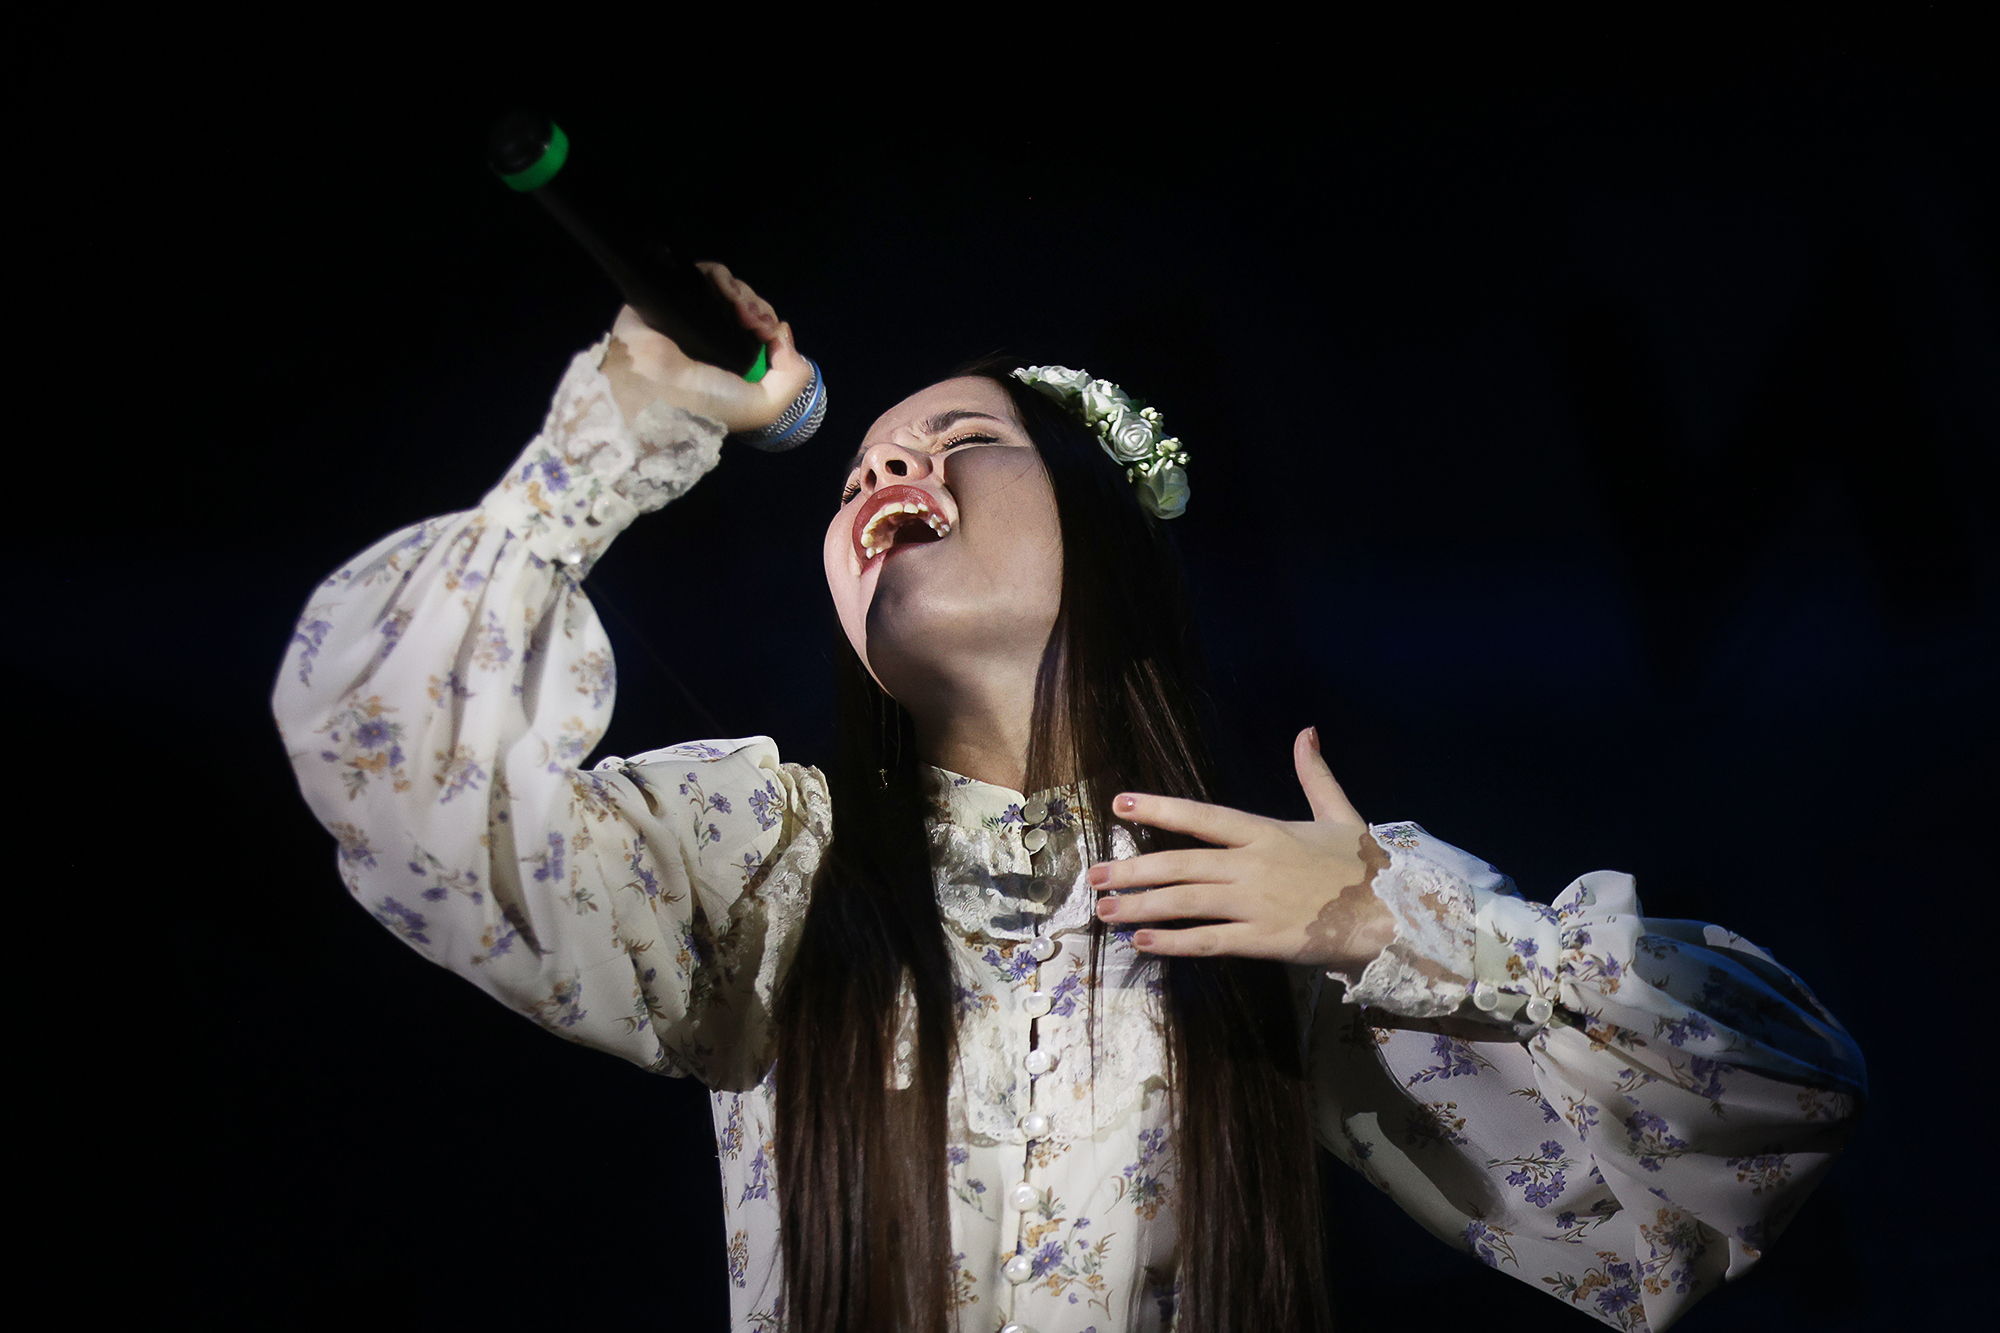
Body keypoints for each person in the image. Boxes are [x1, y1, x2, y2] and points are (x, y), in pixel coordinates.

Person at [274, 267, 1865, 1333]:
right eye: (860, 471)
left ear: (1102, 531)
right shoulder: (765, 864)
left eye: (963, 437)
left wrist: (1408, 927)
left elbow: (1772, 1114)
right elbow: (389, 771)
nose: (887, 471)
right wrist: (617, 427)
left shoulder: (1280, 912)